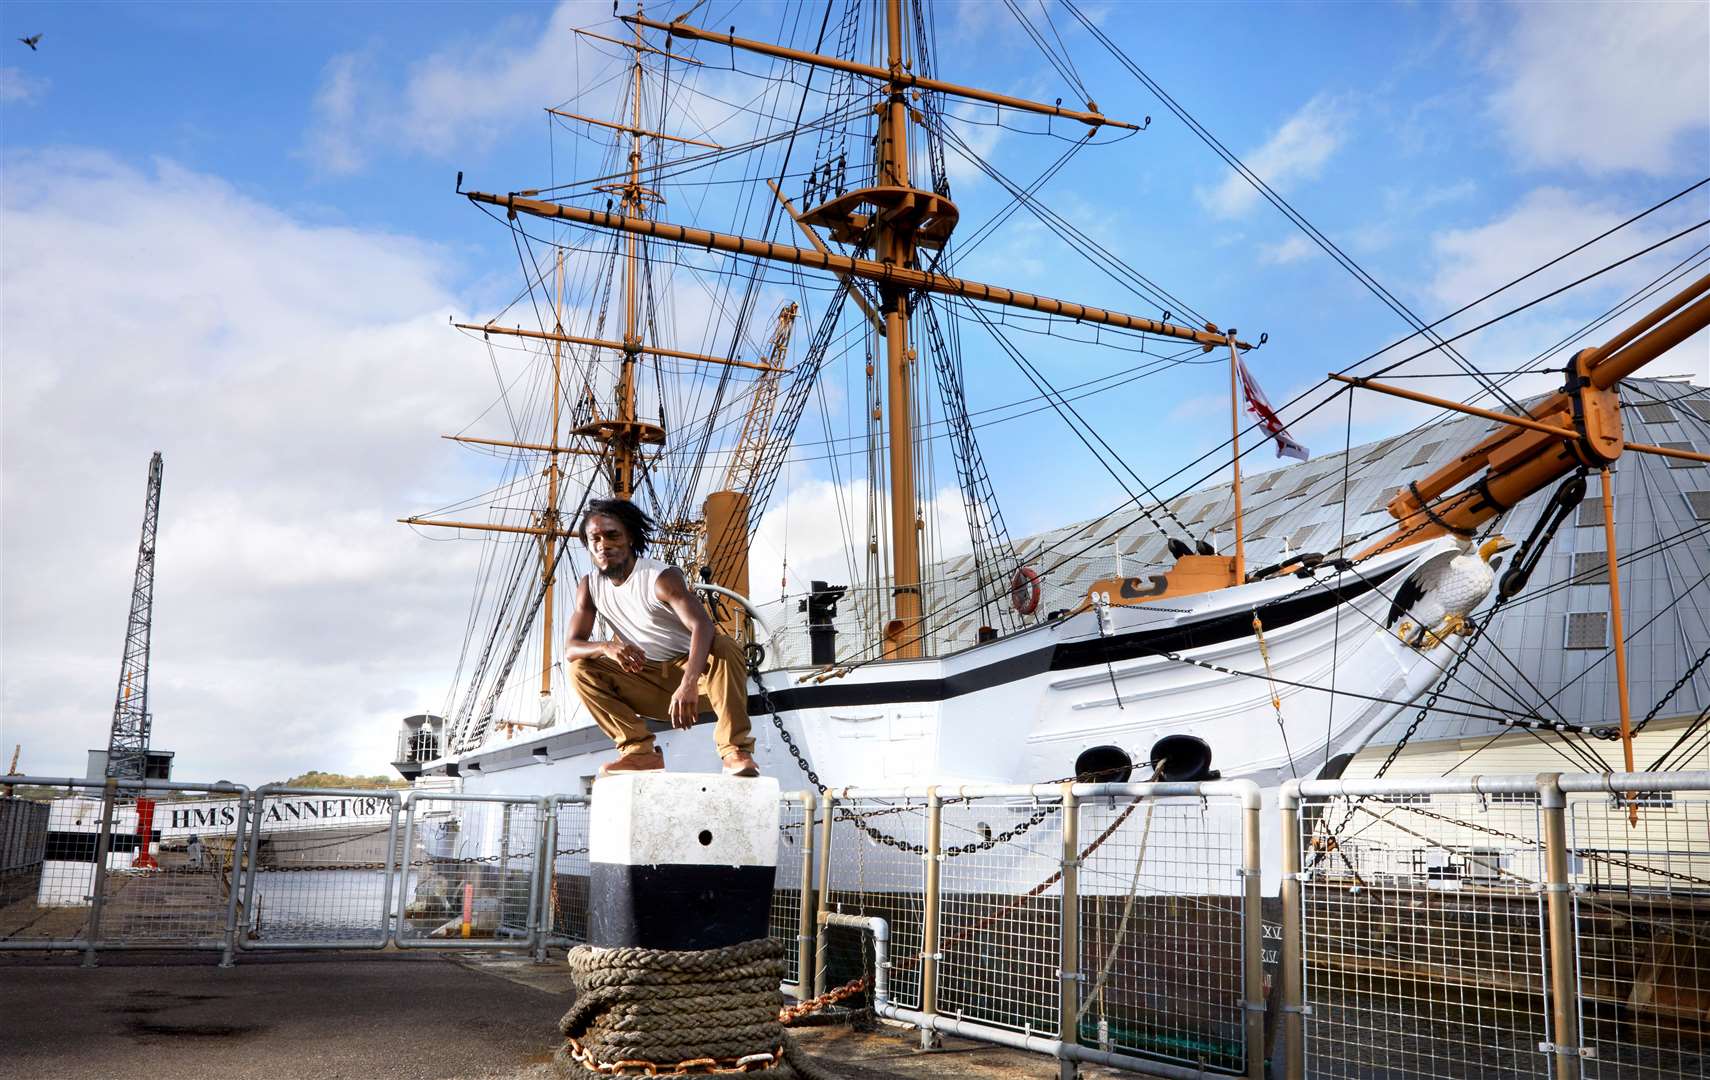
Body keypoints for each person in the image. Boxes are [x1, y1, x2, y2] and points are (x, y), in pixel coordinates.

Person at [565, 498, 759, 777]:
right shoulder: (590, 586)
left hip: (698, 682)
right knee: (580, 668)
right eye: (594, 538)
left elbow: (702, 625)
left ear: (630, 537)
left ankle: (734, 750)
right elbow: (571, 648)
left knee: (724, 645)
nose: (603, 544)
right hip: (645, 679)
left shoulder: (659, 577)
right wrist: (607, 647)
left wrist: (689, 682)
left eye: (612, 535)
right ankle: (639, 752)